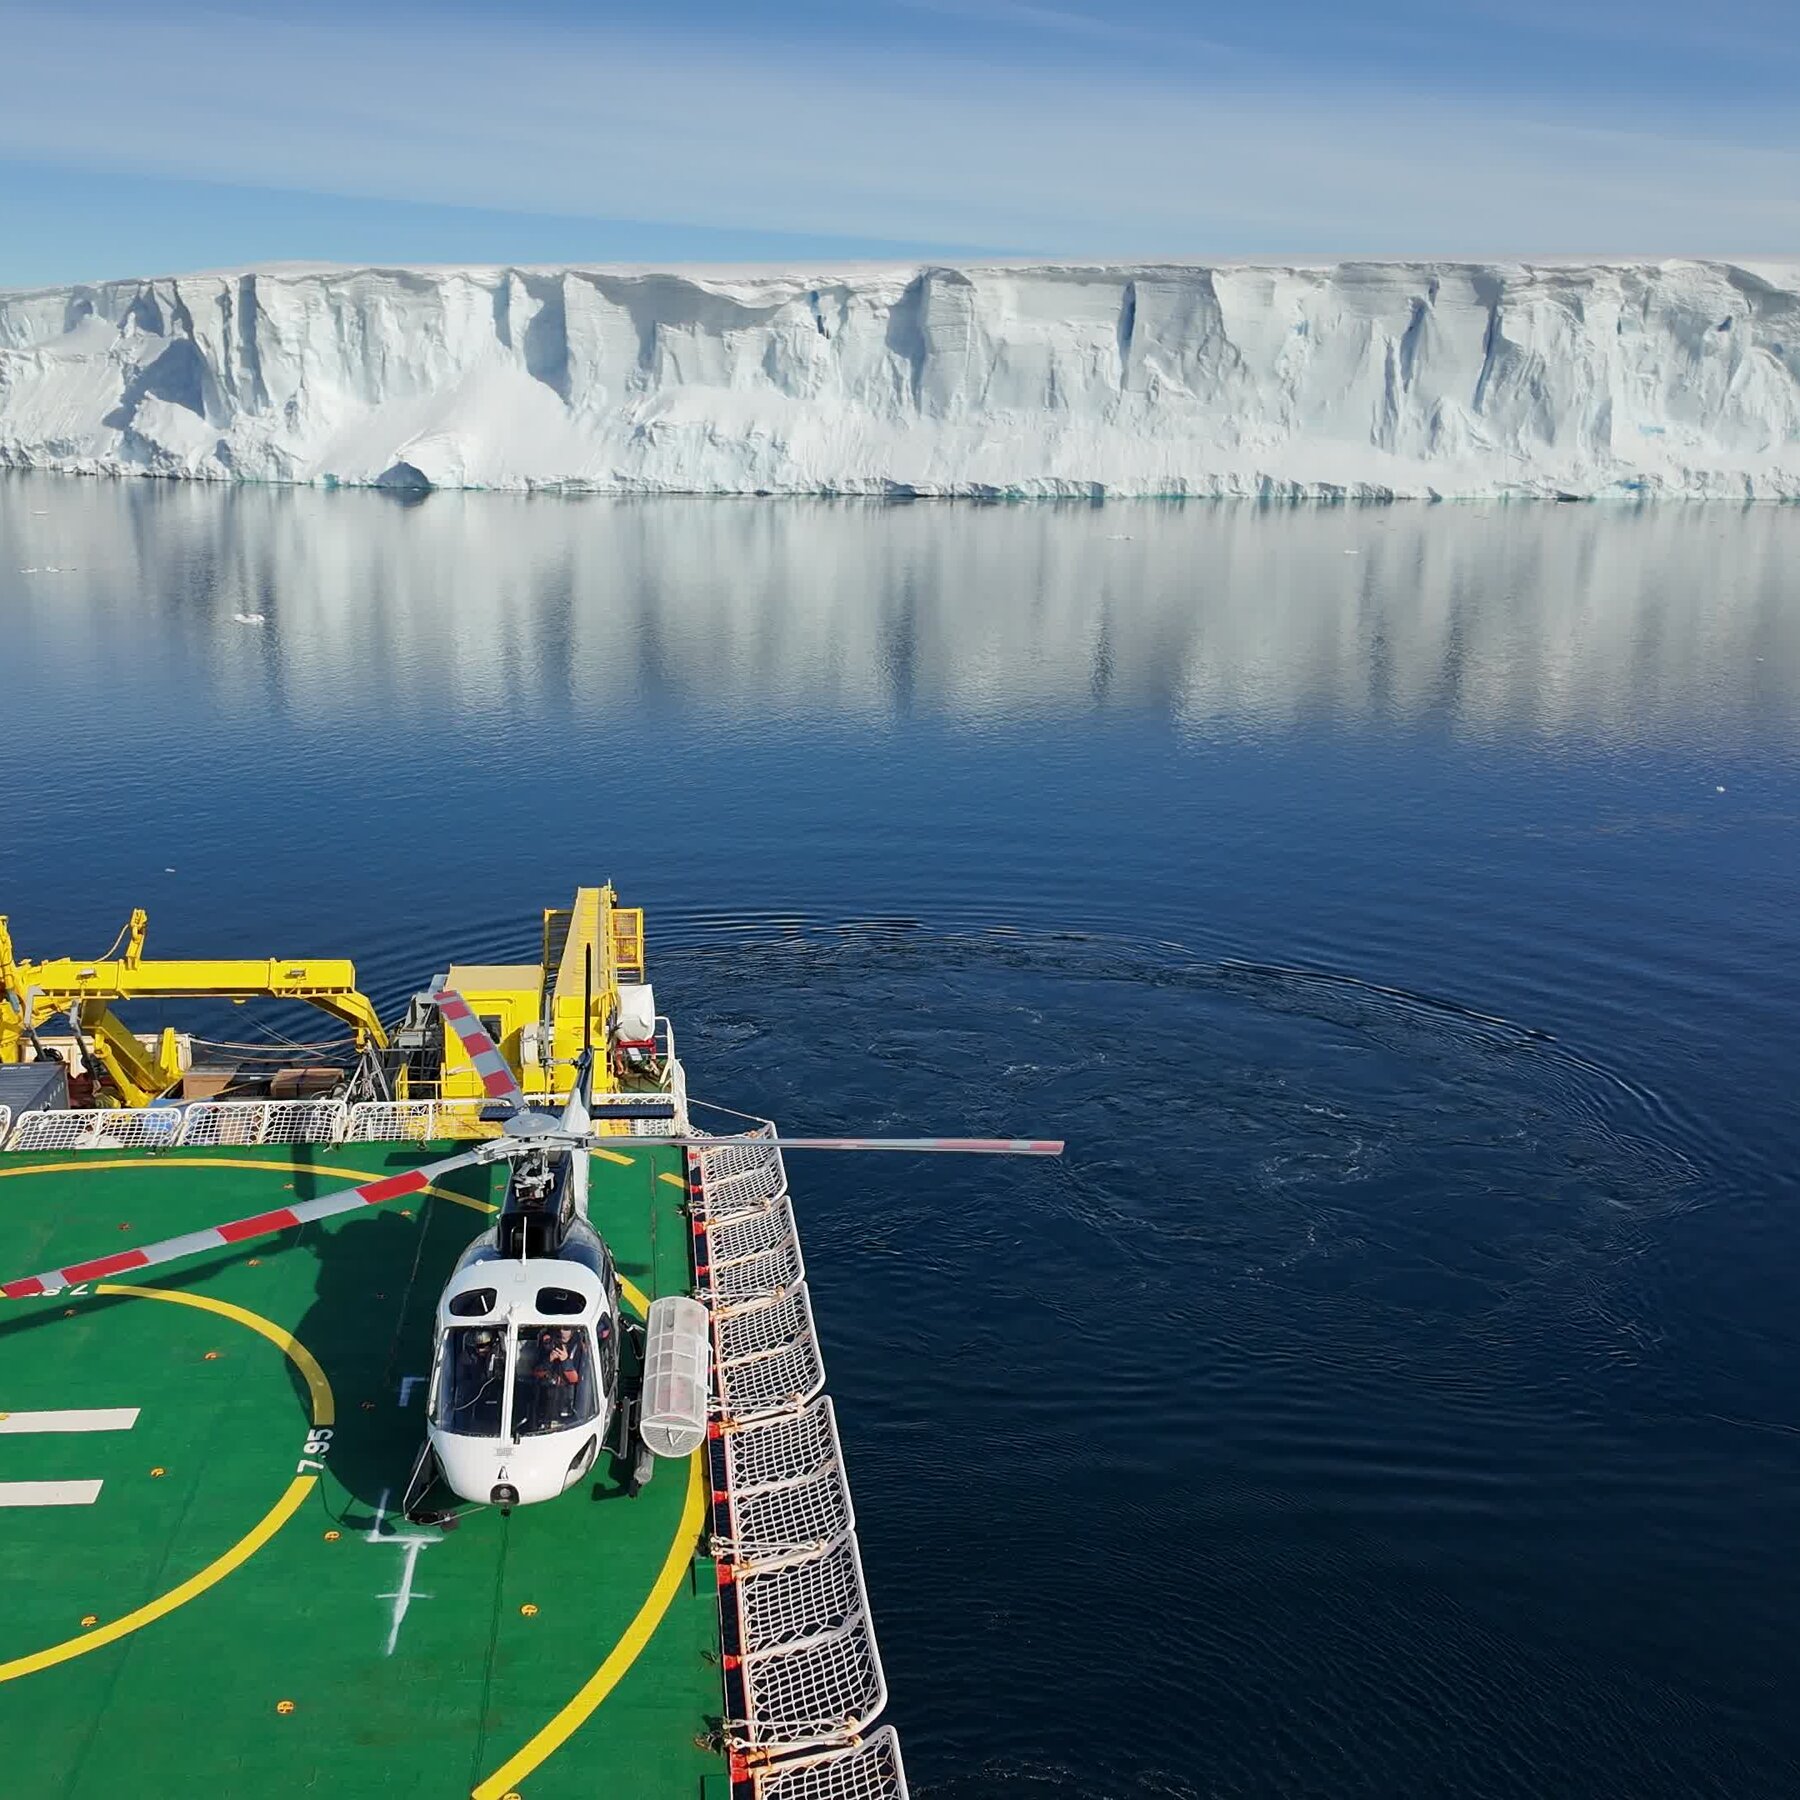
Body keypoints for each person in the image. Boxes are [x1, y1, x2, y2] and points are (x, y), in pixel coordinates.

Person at [533, 1325, 587, 1424]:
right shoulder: (549, 1343)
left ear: (572, 1330)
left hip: (568, 1399)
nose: (562, 1332)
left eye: (566, 1328)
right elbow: (536, 1372)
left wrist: (565, 1361)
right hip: (546, 1396)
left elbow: (575, 1379)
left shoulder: (579, 1346)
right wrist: (549, 1359)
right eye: (560, 1328)